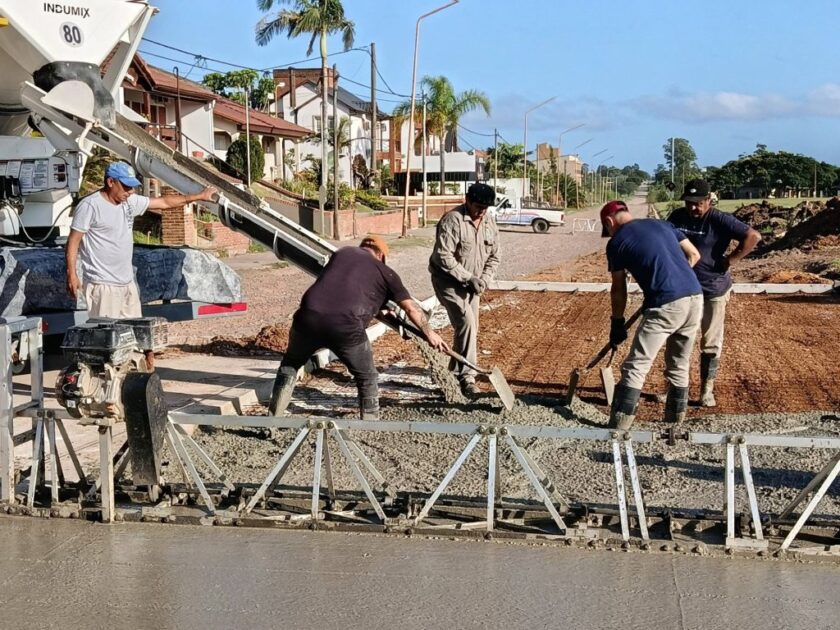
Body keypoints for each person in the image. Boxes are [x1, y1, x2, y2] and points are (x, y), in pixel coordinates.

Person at [269, 235, 449, 420]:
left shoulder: (342, 253)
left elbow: (348, 291)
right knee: (367, 377)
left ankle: (273, 420)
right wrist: (430, 334)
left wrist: (378, 309)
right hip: (345, 327)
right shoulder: (386, 272)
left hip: (307, 318)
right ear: (382, 256)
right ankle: (369, 425)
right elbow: (411, 308)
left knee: (290, 365)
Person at [65, 161, 217, 369]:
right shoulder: (90, 206)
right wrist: (72, 274)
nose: (131, 191)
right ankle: (106, 382)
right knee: (108, 344)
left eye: (132, 187)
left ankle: (136, 376)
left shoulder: (129, 202)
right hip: (103, 285)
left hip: (127, 284)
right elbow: (73, 240)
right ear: (111, 182)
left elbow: (163, 202)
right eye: (126, 186)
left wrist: (198, 196)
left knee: (136, 336)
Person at [601, 200, 703, 429]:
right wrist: (674, 281)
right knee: (679, 364)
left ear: (609, 222)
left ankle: (618, 428)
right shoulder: (663, 225)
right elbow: (694, 254)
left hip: (666, 303)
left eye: (607, 229)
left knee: (636, 365)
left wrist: (617, 322)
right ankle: (674, 426)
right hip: (695, 298)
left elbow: (618, 288)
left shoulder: (617, 241)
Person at [666, 179, 761, 406]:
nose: (692, 207)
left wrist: (730, 260)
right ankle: (674, 389)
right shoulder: (677, 217)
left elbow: (753, 236)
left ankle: (706, 391)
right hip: (682, 288)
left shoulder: (719, 219)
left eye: (698, 203)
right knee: (677, 338)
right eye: (689, 202)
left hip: (713, 288)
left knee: (710, 341)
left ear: (709, 200)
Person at [428, 182, 500, 396]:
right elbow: (443, 256)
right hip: (448, 282)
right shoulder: (453, 220)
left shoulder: (489, 222)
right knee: (466, 322)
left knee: (470, 329)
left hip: (473, 284)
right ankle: (467, 378)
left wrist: (483, 280)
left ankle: (453, 372)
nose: (481, 212)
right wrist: (468, 277)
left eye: (485, 208)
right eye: (478, 207)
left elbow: (495, 256)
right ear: (467, 200)